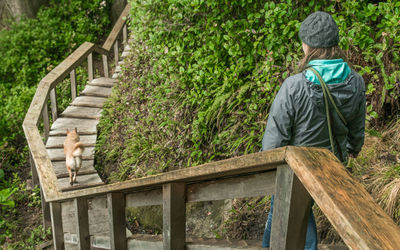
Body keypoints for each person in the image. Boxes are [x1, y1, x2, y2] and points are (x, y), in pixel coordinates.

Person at [260, 11, 366, 249]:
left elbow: (272, 144)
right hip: (333, 166)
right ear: (334, 44)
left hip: (297, 170)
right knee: (291, 212)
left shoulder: (294, 86)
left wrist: (268, 168)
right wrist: (348, 153)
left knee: (285, 212)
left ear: (307, 46)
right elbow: (356, 134)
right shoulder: (356, 81)